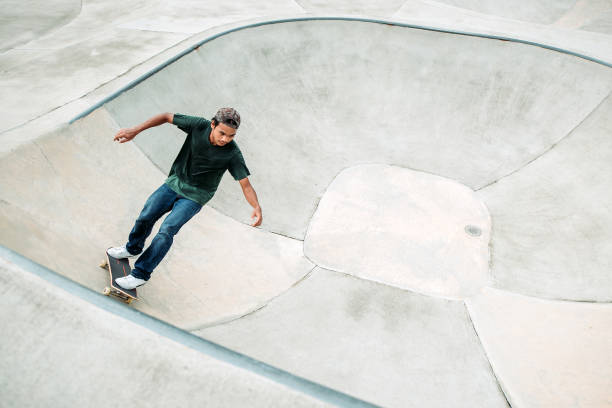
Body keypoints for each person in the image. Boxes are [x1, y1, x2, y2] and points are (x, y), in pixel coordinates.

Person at [108, 107, 262, 290]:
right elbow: (166, 116)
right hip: (175, 183)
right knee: (146, 216)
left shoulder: (232, 153)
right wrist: (135, 130)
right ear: (212, 125)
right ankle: (132, 248)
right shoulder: (198, 125)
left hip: (196, 196)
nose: (225, 139)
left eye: (231, 136)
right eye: (222, 133)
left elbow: (245, 184)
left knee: (167, 230)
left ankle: (140, 274)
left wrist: (256, 207)